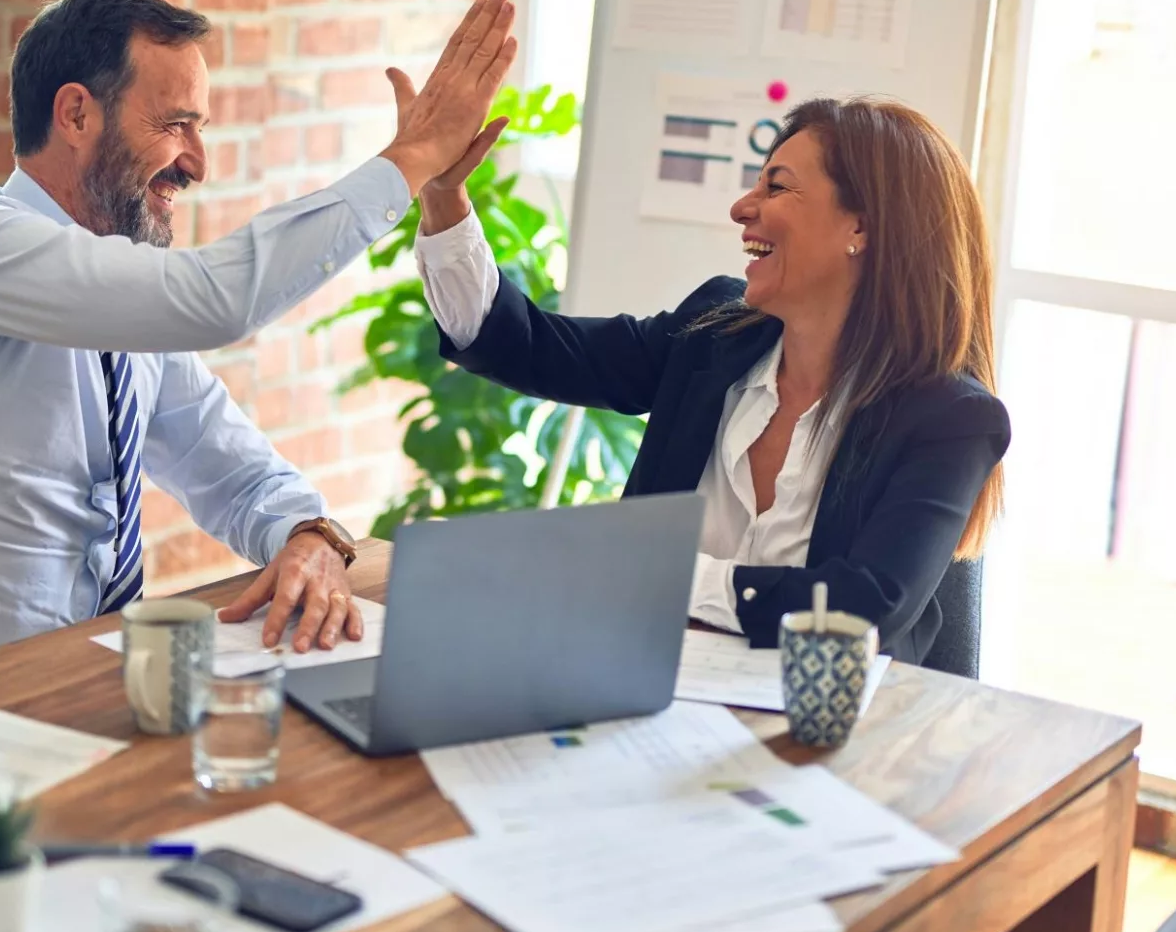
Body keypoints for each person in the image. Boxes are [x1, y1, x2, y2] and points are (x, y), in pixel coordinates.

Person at [0, 0, 516, 680]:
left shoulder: (122, 311)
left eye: (199, 128)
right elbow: (215, 300)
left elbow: (233, 470)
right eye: (176, 124)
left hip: (67, 692)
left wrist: (308, 535)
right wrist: (413, 158)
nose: (197, 163)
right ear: (77, 115)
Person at [414, 96, 1009, 664]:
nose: (742, 207)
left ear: (862, 228)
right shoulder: (713, 336)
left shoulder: (951, 419)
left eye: (776, 186)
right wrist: (444, 195)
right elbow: (526, 346)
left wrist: (658, 572)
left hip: (830, 737)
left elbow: (860, 612)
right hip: (645, 691)